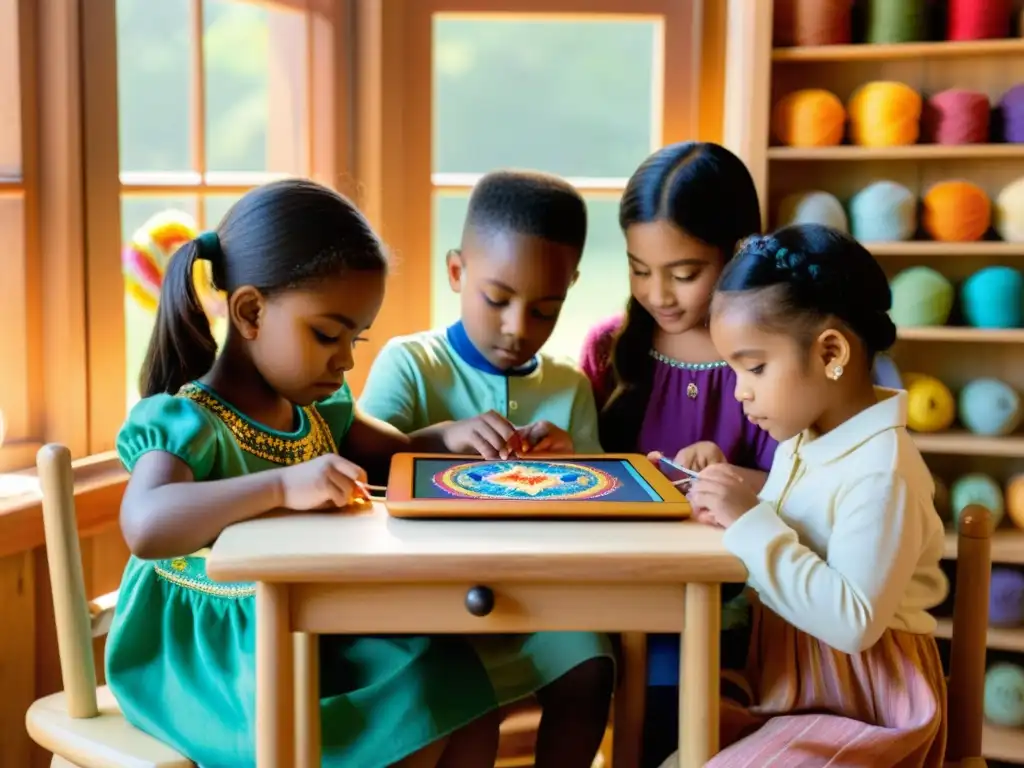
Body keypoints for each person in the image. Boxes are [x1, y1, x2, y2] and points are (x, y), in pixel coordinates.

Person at [107, 179, 526, 768]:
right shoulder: (189, 421)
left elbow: (397, 454)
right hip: (220, 661)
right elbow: (146, 525)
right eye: (328, 334)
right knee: (412, 711)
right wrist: (280, 485)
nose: (346, 358)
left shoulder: (315, 409)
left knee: (460, 688)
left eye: (355, 338)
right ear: (250, 311)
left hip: (311, 629)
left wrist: (451, 438)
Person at [665, 224, 949, 767]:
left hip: (866, 706)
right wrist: (730, 491)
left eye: (754, 367)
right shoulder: (806, 439)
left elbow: (853, 622)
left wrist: (748, 521)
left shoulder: (882, 471)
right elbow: (798, 522)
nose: (740, 390)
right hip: (794, 687)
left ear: (831, 352)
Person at [359, 169, 614, 768]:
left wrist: (577, 466)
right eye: (497, 299)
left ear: (571, 287)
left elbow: (606, 507)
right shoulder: (412, 364)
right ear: (456, 272)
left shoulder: (569, 387)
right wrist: (439, 438)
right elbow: (362, 470)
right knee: (467, 719)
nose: (516, 328)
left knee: (592, 665)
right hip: (429, 611)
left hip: (540, 605)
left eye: (546, 310)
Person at [576, 141, 770, 765]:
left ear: (738, 253)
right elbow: (587, 477)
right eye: (639, 268)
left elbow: (811, 487)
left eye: (683, 274)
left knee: (677, 712)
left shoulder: (771, 358)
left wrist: (736, 478)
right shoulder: (609, 348)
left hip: (734, 604)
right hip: (618, 594)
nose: (657, 293)